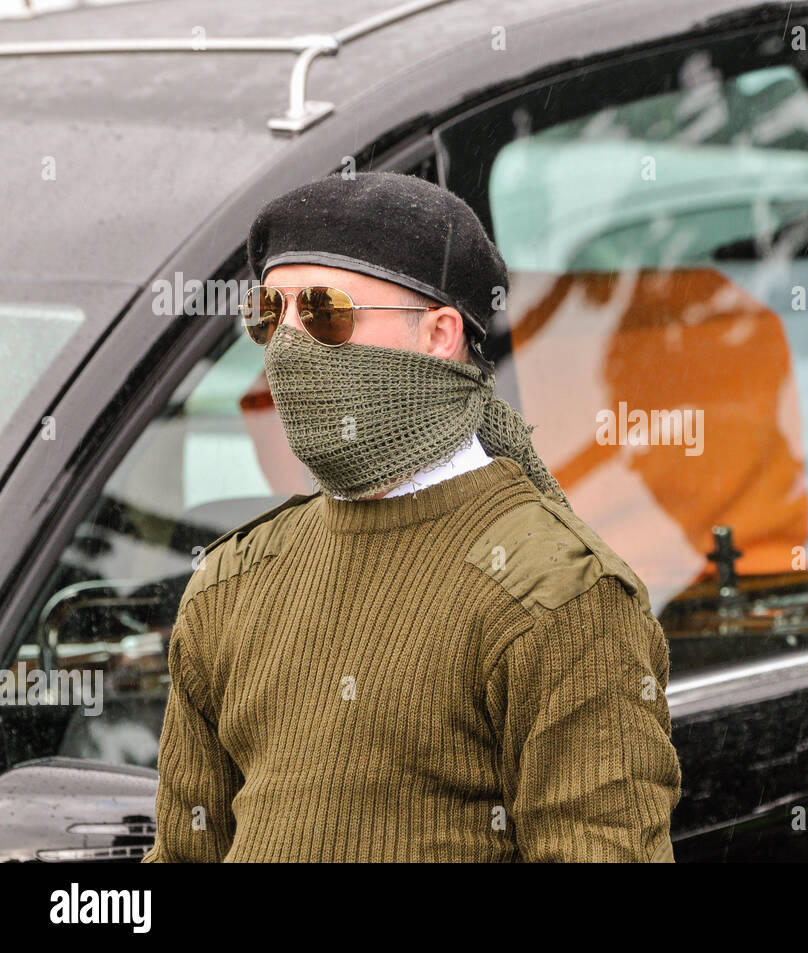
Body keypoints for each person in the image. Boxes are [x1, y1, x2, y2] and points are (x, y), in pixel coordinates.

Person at [141, 171, 681, 862]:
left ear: (440, 334)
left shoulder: (559, 594)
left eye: (325, 311)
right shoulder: (230, 585)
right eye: (269, 315)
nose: (289, 344)